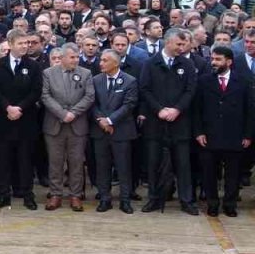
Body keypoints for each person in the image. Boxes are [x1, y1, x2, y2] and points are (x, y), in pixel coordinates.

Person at [139, 28, 199, 215]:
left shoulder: (187, 64)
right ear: (168, 42)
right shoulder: (150, 63)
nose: (181, 48)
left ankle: (187, 200)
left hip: (179, 123)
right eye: (178, 44)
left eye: (183, 44)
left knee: (183, 164)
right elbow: (145, 89)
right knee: (154, 163)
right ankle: (154, 199)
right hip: (156, 123)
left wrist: (177, 109)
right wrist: (159, 109)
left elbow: (191, 90)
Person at [192, 45, 252, 218]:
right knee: (209, 173)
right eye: (212, 59)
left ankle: (230, 203)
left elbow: (249, 110)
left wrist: (248, 135)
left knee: (233, 174)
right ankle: (212, 203)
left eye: (218, 59)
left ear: (229, 61)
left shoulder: (242, 81)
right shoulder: (204, 81)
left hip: (235, 136)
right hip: (209, 136)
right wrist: (199, 132)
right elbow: (197, 109)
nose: (213, 62)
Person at [0, 30, 43, 210]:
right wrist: (7, 107)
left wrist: (20, 107)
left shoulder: (33, 66)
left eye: (27, 43)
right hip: (3, 121)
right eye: (21, 43)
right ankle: (4, 194)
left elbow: (36, 91)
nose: (25, 46)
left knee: (25, 160)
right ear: (10, 45)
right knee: (3, 161)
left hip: (25, 120)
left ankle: (27, 194)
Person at [40, 43, 95, 211]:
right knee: (55, 162)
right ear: (62, 58)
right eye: (72, 57)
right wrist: (62, 114)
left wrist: (74, 113)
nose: (76, 60)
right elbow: (45, 95)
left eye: (77, 57)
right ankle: (55, 194)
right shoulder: (48, 73)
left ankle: (75, 195)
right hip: (54, 124)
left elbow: (89, 96)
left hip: (77, 125)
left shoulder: (85, 73)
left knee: (77, 162)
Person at [90, 50, 139, 213]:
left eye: (105, 60)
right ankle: (104, 198)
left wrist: (110, 120)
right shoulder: (96, 80)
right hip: (100, 131)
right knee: (102, 166)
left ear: (116, 63)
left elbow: (129, 105)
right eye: (101, 60)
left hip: (121, 131)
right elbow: (93, 104)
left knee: (123, 166)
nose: (101, 63)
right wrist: (101, 121)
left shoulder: (129, 81)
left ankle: (125, 200)